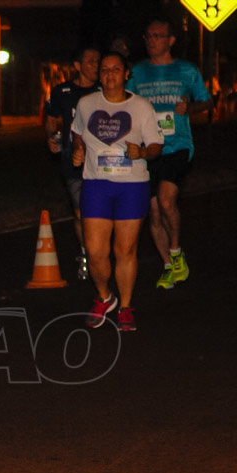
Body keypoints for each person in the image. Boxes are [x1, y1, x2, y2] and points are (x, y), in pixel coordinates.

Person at [72, 51, 163, 331]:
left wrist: (143, 152)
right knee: (96, 251)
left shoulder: (142, 107)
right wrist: (79, 149)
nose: (109, 75)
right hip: (96, 183)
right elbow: (78, 132)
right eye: (104, 70)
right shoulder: (87, 104)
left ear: (126, 73)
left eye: (115, 69)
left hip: (131, 185)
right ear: (99, 75)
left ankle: (125, 306)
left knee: (125, 249)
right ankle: (104, 296)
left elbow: (157, 146)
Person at [127, 19, 211, 290]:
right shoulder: (137, 73)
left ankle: (175, 252)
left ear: (171, 40)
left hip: (177, 145)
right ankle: (168, 265)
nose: (152, 40)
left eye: (158, 36)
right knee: (153, 212)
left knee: (166, 201)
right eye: (148, 36)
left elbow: (206, 101)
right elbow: (125, 105)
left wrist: (191, 109)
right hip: (148, 149)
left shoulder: (186, 70)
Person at [44, 46, 101, 279]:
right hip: (73, 159)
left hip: (102, 160)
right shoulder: (62, 91)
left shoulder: (104, 90)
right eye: (90, 62)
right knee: (80, 212)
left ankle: (102, 252)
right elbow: (50, 119)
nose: (95, 66)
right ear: (77, 66)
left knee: (100, 212)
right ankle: (87, 254)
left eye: (97, 61)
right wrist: (51, 137)